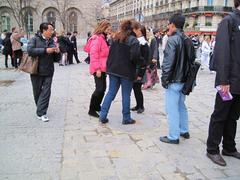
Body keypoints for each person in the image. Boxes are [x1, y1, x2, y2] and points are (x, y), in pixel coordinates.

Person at [206, 0, 240, 166]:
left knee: (233, 116)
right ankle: (212, 149)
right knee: (220, 115)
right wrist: (223, 80)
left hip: (239, 82)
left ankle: (229, 147)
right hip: (228, 81)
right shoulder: (229, 21)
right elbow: (222, 51)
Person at [99, 20, 141, 124]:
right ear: (132, 29)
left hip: (114, 69)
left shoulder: (116, 38)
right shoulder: (133, 40)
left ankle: (102, 115)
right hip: (126, 71)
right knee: (126, 95)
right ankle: (126, 118)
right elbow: (135, 58)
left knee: (111, 92)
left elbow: (111, 54)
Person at [160, 13, 190, 144]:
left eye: (168, 24)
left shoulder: (173, 40)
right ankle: (184, 130)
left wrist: (164, 79)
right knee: (181, 105)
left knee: (171, 109)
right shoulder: (187, 39)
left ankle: (173, 136)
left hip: (174, 80)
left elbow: (168, 63)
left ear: (172, 25)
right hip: (185, 79)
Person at [27, 22, 60, 122]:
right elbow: (30, 50)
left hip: (48, 71)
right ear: (44, 30)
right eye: (50, 30)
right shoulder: (34, 39)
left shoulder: (52, 41)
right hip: (36, 70)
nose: (52, 32)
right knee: (37, 92)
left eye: (53, 30)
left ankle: (42, 113)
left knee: (46, 92)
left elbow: (56, 58)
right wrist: (46, 50)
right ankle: (40, 108)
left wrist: (57, 52)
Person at [84, 20, 111, 118]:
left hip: (103, 67)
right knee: (99, 89)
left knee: (102, 88)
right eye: (108, 29)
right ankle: (92, 109)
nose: (109, 31)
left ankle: (97, 106)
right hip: (98, 68)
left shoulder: (103, 38)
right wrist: (97, 69)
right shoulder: (97, 39)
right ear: (103, 28)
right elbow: (94, 55)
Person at [131, 23, 149, 114]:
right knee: (135, 88)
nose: (135, 31)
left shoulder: (143, 43)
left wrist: (141, 74)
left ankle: (141, 106)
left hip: (140, 69)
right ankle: (138, 105)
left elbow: (145, 60)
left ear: (141, 32)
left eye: (137, 30)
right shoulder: (137, 41)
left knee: (138, 88)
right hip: (135, 69)